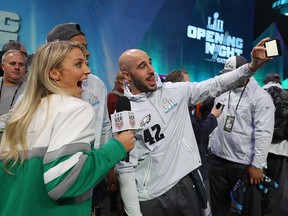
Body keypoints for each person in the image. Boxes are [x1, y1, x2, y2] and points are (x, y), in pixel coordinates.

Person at [114, 37, 273, 216]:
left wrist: (251, 67)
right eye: (142, 66)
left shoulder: (176, 91)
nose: (151, 70)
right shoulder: (126, 111)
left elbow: (217, 84)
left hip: (187, 185)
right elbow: (125, 168)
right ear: (126, 75)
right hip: (152, 195)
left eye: (150, 63)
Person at [0, 41, 134, 216]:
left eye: (86, 63)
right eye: (78, 64)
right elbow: (64, 182)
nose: (88, 71)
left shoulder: (22, 112)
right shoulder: (76, 108)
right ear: (54, 73)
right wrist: (117, 147)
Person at [46, 23, 112, 214]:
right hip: (56, 175)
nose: (86, 53)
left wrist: (107, 164)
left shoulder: (96, 84)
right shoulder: (36, 92)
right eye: (77, 47)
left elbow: (105, 126)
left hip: (94, 168)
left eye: (86, 47)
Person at [207, 55, 275, 216]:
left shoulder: (261, 97)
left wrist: (258, 165)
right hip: (217, 160)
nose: (228, 77)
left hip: (244, 165)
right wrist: (211, 145)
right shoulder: (222, 91)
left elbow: (263, 132)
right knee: (218, 208)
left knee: (249, 210)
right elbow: (216, 118)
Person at [165, 69, 222, 216]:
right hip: (191, 168)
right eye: (187, 83)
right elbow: (200, 133)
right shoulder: (180, 109)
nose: (191, 87)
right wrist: (213, 117)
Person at [262, 73, 288, 216]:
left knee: (255, 184)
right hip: (280, 148)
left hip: (259, 148)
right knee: (275, 187)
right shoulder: (287, 95)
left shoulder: (260, 93)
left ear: (266, 80)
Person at [107, 71, 128, 216]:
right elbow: (108, 126)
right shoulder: (112, 98)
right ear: (120, 80)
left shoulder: (135, 98)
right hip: (117, 145)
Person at [0, 50, 27, 137]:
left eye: (21, 64)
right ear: (3, 66)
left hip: (17, 140)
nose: (17, 67)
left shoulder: (32, 90)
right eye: (12, 63)